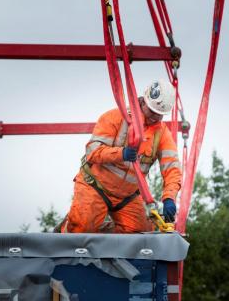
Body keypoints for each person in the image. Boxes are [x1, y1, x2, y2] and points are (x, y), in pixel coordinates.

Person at [60, 79, 182, 233]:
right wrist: (121, 154)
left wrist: (169, 198)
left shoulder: (162, 133)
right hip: (96, 186)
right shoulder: (115, 117)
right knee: (81, 229)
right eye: (152, 111)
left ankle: (103, 240)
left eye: (159, 115)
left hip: (127, 196)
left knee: (141, 236)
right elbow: (92, 152)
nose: (155, 118)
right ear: (143, 101)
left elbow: (172, 168)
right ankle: (68, 228)